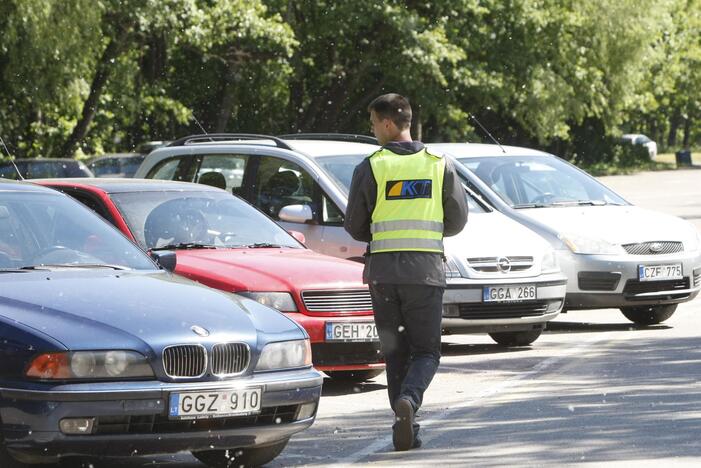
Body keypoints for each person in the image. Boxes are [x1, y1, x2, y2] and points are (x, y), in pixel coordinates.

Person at [344, 93, 468, 451]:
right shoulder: (438, 163)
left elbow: (354, 225)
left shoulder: (371, 165)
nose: (372, 130)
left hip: (383, 273)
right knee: (427, 352)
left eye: (372, 123)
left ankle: (405, 426)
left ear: (386, 123)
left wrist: (383, 230)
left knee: (395, 351)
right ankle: (410, 401)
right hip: (425, 273)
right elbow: (457, 220)